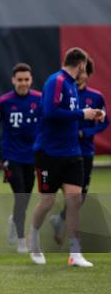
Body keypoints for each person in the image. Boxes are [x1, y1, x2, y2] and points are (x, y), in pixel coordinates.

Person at [29, 47, 105, 267]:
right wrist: (83, 113)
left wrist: (92, 114)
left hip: (72, 152)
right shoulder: (57, 81)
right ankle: (33, 240)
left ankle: (75, 252)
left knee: (74, 200)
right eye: (85, 66)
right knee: (47, 201)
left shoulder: (72, 85)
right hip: (49, 153)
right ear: (81, 64)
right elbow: (51, 113)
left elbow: (70, 115)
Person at [49, 58, 108, 243]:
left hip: (85, 150)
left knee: (80, 195)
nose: (80, 76)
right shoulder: (64, 89)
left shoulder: (96, 96)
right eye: (79, 72)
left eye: (84, 73)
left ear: (89, 76)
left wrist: (86, 132)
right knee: (52, 193)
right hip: (61, 150)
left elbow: (104, 121)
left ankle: (61, 221)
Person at [0, 63, 42, 253]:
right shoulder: (4, 102)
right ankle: (20, 240)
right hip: (11, 156)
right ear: (13, 80)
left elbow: (46, 125)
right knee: (20, 196)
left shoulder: (39, 100)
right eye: (20, 80)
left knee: (25, 197)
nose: (23, 83)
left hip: (32, 156)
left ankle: (14, 221)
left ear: (31, 80)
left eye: (26, 79)